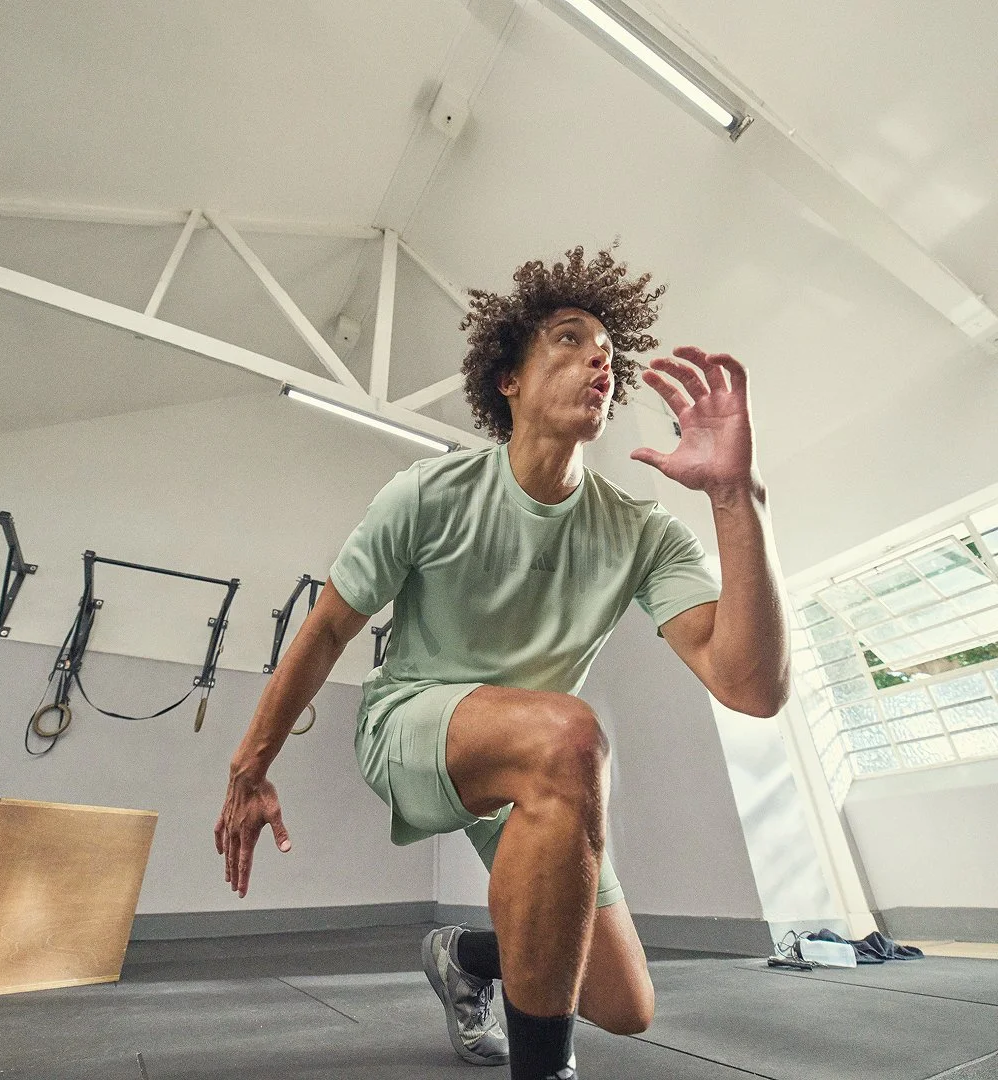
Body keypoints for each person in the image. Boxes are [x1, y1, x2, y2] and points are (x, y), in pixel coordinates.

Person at [215, 245, 791, 1080]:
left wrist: (739, 498)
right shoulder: (427, 495)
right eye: (569, 338)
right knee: (571, 736)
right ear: (509, 381)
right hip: (412, 721)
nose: (601, 357)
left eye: (608, 350)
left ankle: (466, 957)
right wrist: (250, 765)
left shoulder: (641, 533)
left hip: (538, 760)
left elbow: (751, 687)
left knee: (626, 1007)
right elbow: (329, 628)